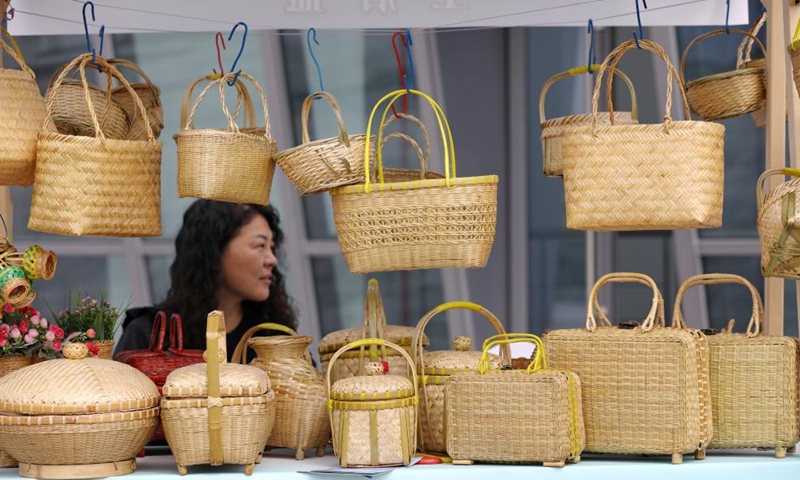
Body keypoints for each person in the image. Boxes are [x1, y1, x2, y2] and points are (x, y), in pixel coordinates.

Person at [115, 199, 298, 358]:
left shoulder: (273, 336)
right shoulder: (150, 335)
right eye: (260, 245)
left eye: (271, 247)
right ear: (214, 253)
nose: (272, 260)